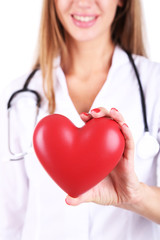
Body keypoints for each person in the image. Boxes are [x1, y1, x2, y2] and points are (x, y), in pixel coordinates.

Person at [0, 0, 160, 239]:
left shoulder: (154, 84)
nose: (83, 2)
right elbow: (9, 221)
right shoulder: (19, 95)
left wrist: (135, 195)